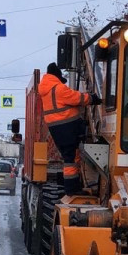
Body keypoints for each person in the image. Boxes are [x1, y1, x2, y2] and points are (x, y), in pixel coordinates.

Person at [38, 62, 100, 193]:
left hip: (56, 129)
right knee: (71, 159)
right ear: (56, 77)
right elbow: (77, 98)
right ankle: (72, 189)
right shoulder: (59, 89)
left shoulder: (46, 90)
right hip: (68, 127)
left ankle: (72, 187)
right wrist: (92, 98)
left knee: (70, 157)